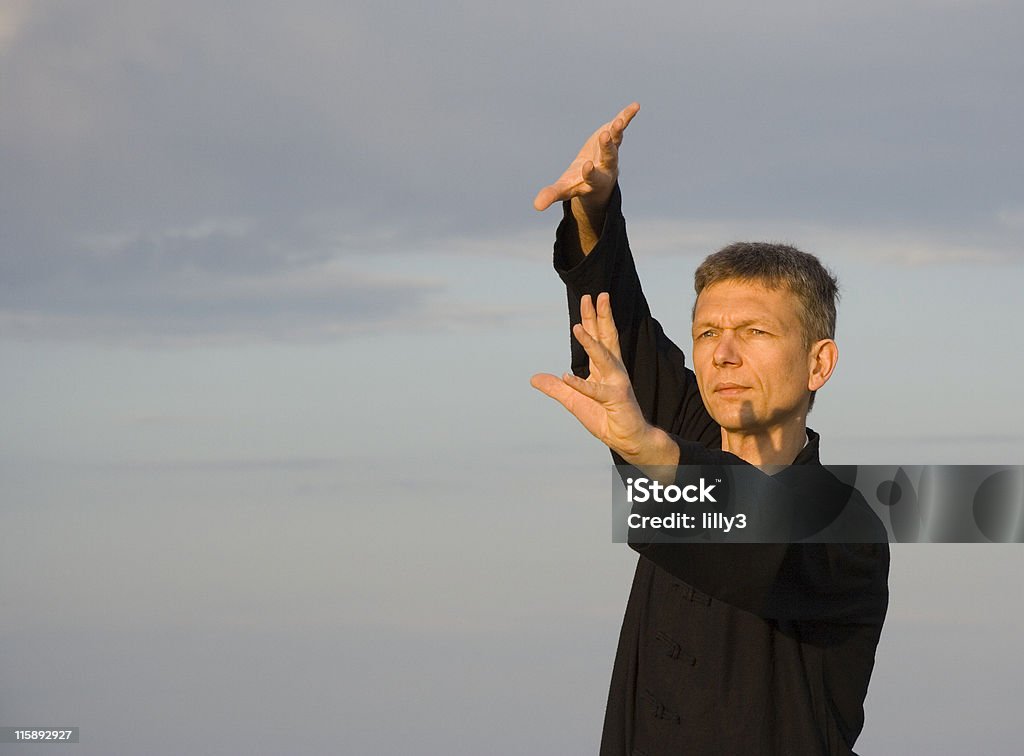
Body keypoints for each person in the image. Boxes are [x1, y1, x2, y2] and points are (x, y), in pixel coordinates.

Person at [530, 103, 890, 755]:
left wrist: (652, 452)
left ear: (819, 362)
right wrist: (592, 210)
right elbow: (620, 327)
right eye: (707, 334)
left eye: (754, 332)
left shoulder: (846, 528)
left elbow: (757, 535)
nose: (724, 354)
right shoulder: (686, 430)